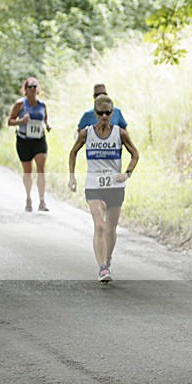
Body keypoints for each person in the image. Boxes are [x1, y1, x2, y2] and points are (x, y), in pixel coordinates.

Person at [68, 94, 139, 283]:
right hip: (94, 185)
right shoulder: (87, 133)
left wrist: (127, 173)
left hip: (115, 186)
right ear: (95, 113)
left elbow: (135, 154)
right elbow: (73, 152)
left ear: (112, 112)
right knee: (99, 225)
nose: (105, 117)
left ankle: (107, 259)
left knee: (110, 228)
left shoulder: (120, 133)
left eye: (108, 113)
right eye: (101, 113)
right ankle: (102, 268)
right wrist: (72, 177)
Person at [7, 77, 52, 212]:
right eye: (30, 87)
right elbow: (9, 121)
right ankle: (28, 198)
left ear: (38, 89)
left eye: (35, 86)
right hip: (24, 141)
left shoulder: (42, 105)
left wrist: (49, 124)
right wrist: (21, 121)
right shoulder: (20, 104)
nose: (32, 89)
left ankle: (42, 200)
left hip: (39, 140)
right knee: (28, 171)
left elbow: (46, 118)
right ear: (25, 90)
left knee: (41, 169)